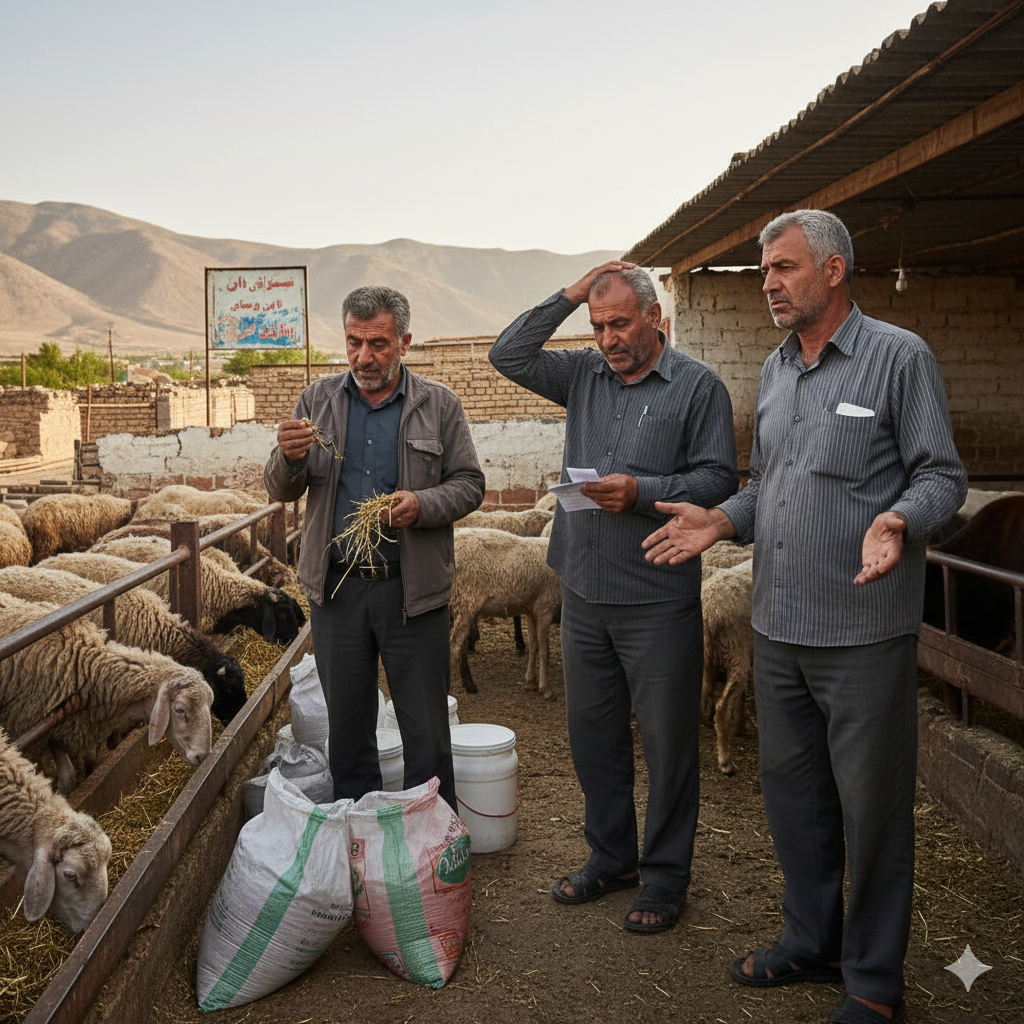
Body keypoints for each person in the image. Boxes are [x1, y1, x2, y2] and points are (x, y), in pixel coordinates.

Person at [643, 211, 967, 1023]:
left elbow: (941, 476)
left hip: (862, 631)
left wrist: (900, 518)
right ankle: (812, 941)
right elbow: (768, 483)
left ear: (833, 269)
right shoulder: (778, 369)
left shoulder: (898, 357)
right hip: (777, 627)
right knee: (794, 801)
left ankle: (874, 983)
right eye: (764, 270)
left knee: (873, 811)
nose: (768, 283)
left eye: (782, 267)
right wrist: (722, 519)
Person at [489, 263, 738, 932]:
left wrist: (643, 493)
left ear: (655, 317)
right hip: (583, 589)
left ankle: (665, 878)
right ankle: (611, 857)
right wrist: (571, 294)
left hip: (657, 596)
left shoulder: (698, 387)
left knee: (667, 746)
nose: (607, 339)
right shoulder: (583, 375)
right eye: (598, 326)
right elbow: (507, 354)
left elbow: (718, 479)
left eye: (620, 324)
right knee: (593, 737)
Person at [264, 285, 485, 812]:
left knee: (426, 731)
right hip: (338, 590)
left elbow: (470, 484)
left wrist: (421, 504)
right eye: (354, 342)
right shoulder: (317, 401)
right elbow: (280, 489)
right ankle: (360, 840)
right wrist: (288, 457)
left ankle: (431, 842)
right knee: (347, 733)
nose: (364, 356)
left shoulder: (438, 405)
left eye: (378, 344)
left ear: (404, 342)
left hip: (412, 592)